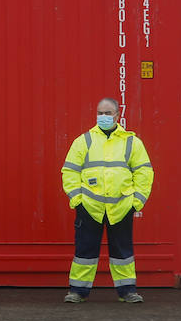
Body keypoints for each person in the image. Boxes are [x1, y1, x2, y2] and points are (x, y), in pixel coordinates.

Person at [61, 97, 154, 304]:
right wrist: (77, 199)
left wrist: (136, 202)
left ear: (117, 115)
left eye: (107, 113)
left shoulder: (132, 142)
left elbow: (144, 173)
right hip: (90, 207)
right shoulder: (83, 141)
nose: (103, 117)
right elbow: (69, 171)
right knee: (85, 251)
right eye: (100, 113)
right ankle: (77, 291)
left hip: (121, 207)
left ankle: (127, 291)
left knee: (123, 251)